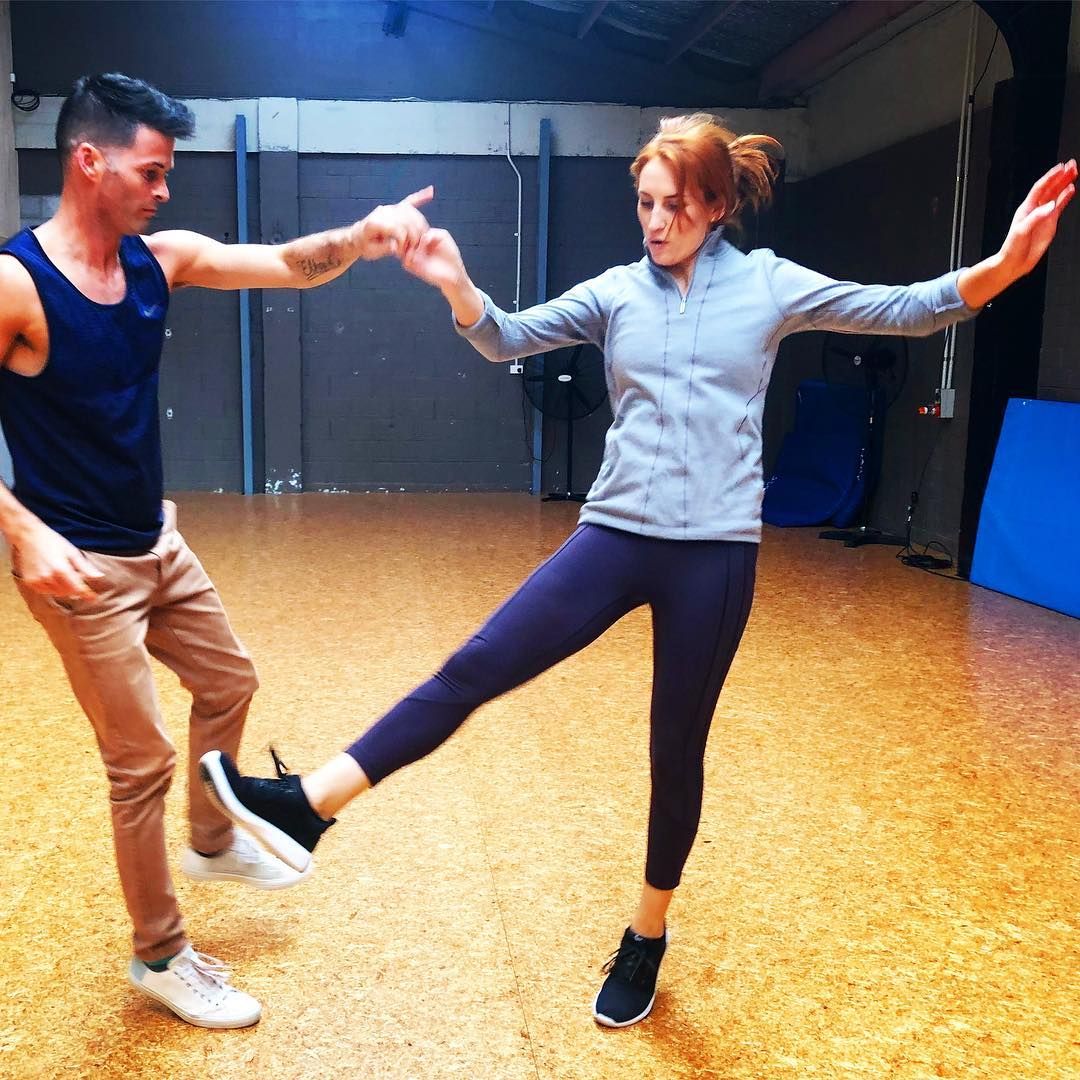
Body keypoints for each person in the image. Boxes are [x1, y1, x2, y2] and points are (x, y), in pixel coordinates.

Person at [200, 115, 1076, 1029]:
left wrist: (1008, 263)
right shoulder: (618, 291)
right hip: (614, 537)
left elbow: (907, 307)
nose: (655, 223)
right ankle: (309, 806)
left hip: (715, 558)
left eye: (673, 207)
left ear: (717, 205)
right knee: (473, 668)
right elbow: (505, 336)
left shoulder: (769, 284)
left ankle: (646, 933)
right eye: (644, 205)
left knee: (673, 750)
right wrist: (457, 283)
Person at [0, 72, 432, 1029]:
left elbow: (286, 263)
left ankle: (208, 840)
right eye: (150, 171)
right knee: (140, 762)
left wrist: (363, 236)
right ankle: (160, 955)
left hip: (155, 541)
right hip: (81, 572)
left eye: (168, 173)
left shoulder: (160, 261)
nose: (165, 190)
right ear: (89, 161)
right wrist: (23, 531)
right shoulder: (16, 283)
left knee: (230, 680)